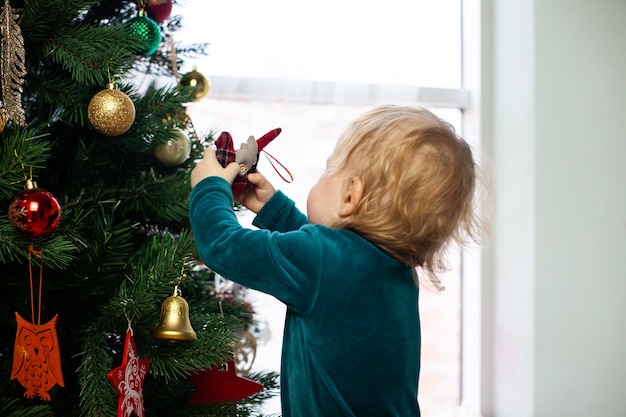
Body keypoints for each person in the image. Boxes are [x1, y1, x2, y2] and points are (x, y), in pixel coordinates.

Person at [189, 105, 487, 416]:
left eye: (327, 169)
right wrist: (274, 210)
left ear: (349, 197)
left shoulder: (323, 260)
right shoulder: (395, 268)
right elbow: (327, 265)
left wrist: (210, 187)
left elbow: (222, 245)